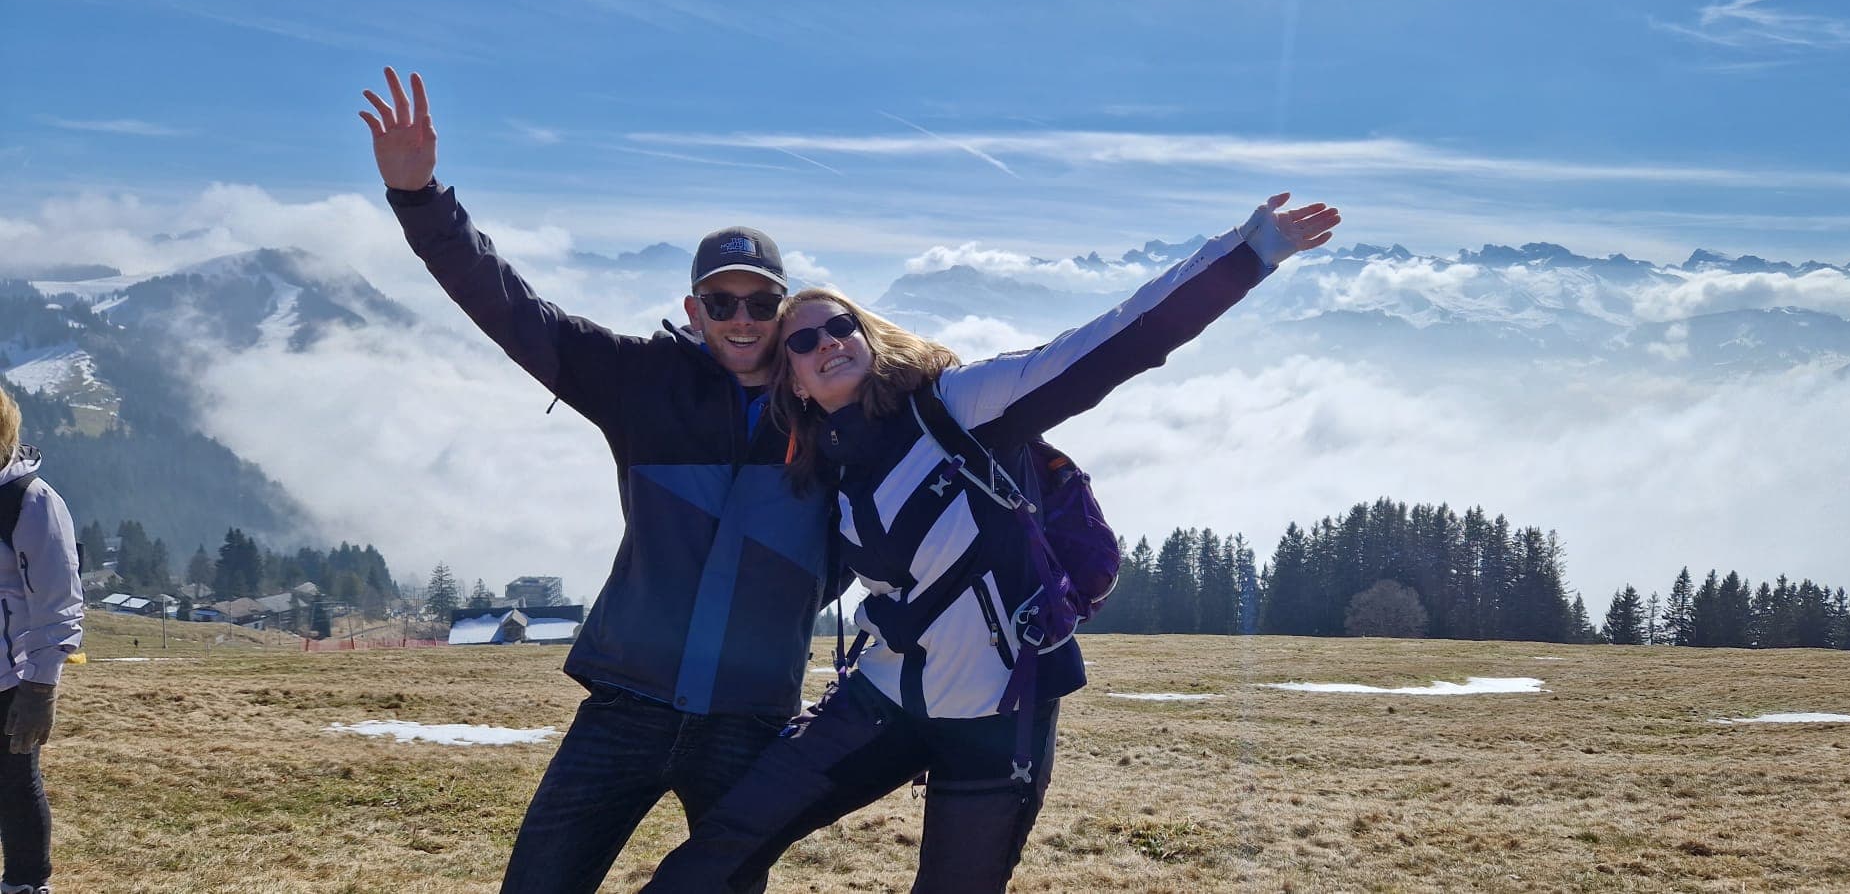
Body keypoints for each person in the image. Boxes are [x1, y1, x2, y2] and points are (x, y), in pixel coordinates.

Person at [647, 192, 1342, 892]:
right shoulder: (824, 457)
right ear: (790, 376)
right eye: (802, 340)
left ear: (867, 334)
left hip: (999, 713)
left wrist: (1247, 255)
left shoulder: (960, 405)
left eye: (839, 327)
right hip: (882, 701)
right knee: (729, 838)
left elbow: (1113, 343)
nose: (825, 343)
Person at [357, 67, 837, 894]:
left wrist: (802, 594)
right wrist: (420, 198)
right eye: (721, 305)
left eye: (760, 303)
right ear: (694, 312)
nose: (742, 321)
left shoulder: (832, 414)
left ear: (785, 309)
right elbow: (512, 309)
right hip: (626, 705)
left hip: (749, 720)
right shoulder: (638, 382)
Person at [0, 387, 85, 894]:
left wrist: (40, 690)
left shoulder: (31, 502)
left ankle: (27, 886)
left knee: (14, 784)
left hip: (11, 678)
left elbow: (58, 602)